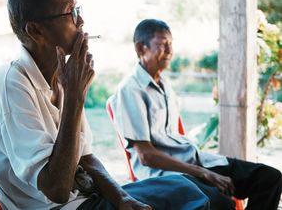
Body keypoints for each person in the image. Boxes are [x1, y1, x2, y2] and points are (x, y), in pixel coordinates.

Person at [0, 0, 211, 210]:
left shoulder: (61, 77)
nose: (81, 22)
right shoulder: (11, 83)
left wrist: (122, 198)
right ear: (36, 31)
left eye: (78, 10)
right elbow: (56, 189)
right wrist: (74, 98)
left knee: (186, 188)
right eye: (71, 13)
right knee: (190, 201)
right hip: (60, 207)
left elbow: (86, 157)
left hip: (86, 198)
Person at [111, 18, 282, 210]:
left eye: (171, 44)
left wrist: (203, 169)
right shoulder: (131, 89)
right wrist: (203, 173)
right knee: (222, 204)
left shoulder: (164, 84)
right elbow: (146, 156)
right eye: (162, 45)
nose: (169, 51)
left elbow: (172, 137)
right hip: (165, 175)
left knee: (269, 179)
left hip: (193, 161)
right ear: (140, 48)